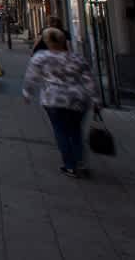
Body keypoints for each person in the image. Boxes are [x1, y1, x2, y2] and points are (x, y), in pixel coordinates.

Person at [23, 20, 100, 178]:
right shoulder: (76, 58)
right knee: (76, 131)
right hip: (78, 99)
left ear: (47, 42)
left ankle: (70, 165)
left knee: (61, 131)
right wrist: (96, 100)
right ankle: (81, 163)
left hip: (54, 99)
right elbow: (89, 80)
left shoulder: (41, 58)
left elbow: (31, 78)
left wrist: (27, 93)